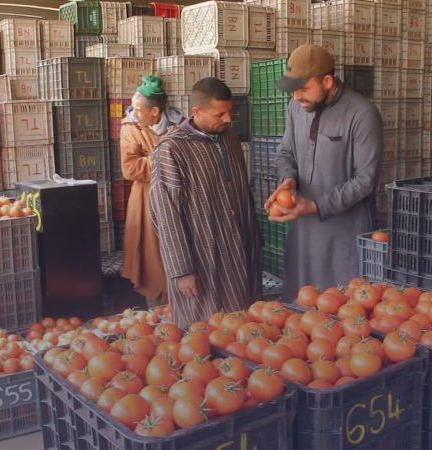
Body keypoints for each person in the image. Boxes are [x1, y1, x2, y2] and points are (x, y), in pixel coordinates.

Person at [265, 44, 383, 301]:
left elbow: (366, 180)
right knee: (301, 309)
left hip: (344, 233)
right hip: (303, 230)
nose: (297, 96)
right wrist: (288, 180)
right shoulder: (297, 108)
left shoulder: (362, 114)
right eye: (293, 90)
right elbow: (286, 153)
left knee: (339, 309)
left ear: (328, 81)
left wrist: (316, 205)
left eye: (304, 88)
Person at [149, 77, 262, 328]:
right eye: (219, 113)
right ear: (197, 111)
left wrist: (254, 239)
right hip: (201, 257)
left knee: (242, 328)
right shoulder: (171, 149)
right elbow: (166, 214)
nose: (228, 119)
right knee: (203, 332)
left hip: (239, 247)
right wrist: (181, 270)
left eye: (230, 111)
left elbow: (241, 190)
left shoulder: (229, 138)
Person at [120, 75, 185, 306]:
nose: (134, 114)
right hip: (146, 200)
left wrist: (151, 157)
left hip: (178, 198)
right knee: (151, 258)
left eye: (139, 110)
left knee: (178, 251)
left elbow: (187, 161)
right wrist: (163, 159)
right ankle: (157, 310)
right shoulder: (130, 128)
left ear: (155, 111)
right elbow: (130, 168)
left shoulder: (180, 125)